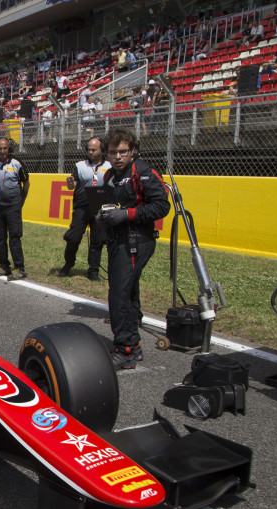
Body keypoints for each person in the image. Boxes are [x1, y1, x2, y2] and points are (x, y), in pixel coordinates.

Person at [97, 127, 170, 370]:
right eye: (112, 152)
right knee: (126, 293)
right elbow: (108, 204)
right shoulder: (109, 175)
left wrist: (127, 214)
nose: (118, 156)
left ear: (132, 150)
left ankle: (125, 350)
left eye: (123, 151)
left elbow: (162, 206)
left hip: (137, 240)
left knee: (119, 295)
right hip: (117, 240)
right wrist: (102, 215)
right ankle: (133, 346)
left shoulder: (144, 172)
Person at [59, 137, 110, 280]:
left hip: (100, 207)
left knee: (97, 240)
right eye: (88, 149)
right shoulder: (80, 165)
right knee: (73, 237)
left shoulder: (110, 166)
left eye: (94, 150)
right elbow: (72, 186)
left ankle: (93, 270)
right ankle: (69, 263)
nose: (90, 152)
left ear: (102, 150)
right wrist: (70, 183)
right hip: (82, 206)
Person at [0, 137, 29, 279]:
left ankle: (19, 268)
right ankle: (4, 266)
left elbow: (26, 183)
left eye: (5, 148)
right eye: (0, 148)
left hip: (13, 207)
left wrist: (21, 201)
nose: (2, 151)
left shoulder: (17, 163)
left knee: (14, 237)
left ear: (9, 149)